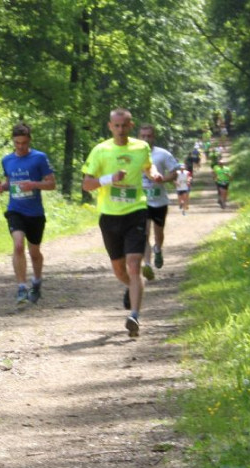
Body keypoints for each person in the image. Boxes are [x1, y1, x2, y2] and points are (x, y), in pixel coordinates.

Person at [81, 108, 162, 338]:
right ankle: (130, 287)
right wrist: (110, 179)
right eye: (116, 126)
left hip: (135, 211)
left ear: (130, 125)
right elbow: (87, 184)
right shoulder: (101, 150)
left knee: (134, 265)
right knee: (119, 269)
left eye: (124, 125)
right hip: (109, 215)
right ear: (110, 126)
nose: (120, 130)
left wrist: (153, 174)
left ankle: (134, 316)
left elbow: (148, 166)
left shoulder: (140, 147)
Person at [0, 123, 56, 304]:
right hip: (15, 210)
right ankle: (21, 287)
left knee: (34, 251)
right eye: (17, 143)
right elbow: (10, 183)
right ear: (13, 141)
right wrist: (2, 188)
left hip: (35, 213)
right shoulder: (7, 160)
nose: (20, 146)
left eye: (24, 143)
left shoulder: (39, 158)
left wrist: (34, 185)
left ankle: (36, 282)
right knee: (18, 245)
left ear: (29, 141)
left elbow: (52, 184)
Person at [137, 124, 179, 270]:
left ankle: (158, 249)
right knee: (144, 232)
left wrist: (163, 179)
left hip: (159, 201)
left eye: (148, 136)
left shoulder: (163, 154)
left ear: (153, 137)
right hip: (141, 202)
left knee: (158, 233)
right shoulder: (133, 155)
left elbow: (174, 172)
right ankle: (147, 264)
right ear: (138, 137)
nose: (146, 139)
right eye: (143, 136)